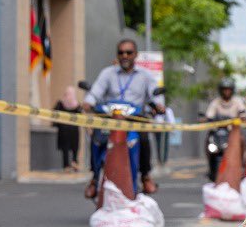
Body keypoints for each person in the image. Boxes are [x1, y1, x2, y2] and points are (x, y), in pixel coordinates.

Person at [85, 38, 161, 195]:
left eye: (129, 52)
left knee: (144, 139)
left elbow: (155, 95)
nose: (124, 56)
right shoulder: (107, 73)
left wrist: (158, 105)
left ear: (136, 55)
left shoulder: (145, 76)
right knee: (96, 139)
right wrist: (88, 102)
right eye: (121, 53)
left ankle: (145, 176)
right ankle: (94, 178)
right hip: (110, 119)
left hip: (134, 120)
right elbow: (96, 91)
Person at [203, 79, 246, 181]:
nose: (226, 92)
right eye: (224, 90)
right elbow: (209, 115)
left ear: (232, 91)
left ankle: (241, 163)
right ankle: (210, 166)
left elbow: (243, 113)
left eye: (228, 90)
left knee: (242, 140)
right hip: (217, 132)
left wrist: (242, 117)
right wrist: (206, 119)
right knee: (208, 141)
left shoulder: (237, 102)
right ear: (220, 91)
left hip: (232, 132)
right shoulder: (216, 102)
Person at [54, 87, 82, 171]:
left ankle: (66, 165)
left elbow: (54, 114)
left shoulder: (61, 103)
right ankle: (74, 161)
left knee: (65, 148)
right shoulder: (77, 105)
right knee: (74, 147)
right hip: (74, 129)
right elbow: (81, 117)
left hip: (63, 129)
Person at [152, 86, 173, 164]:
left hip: (165, 129)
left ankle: (163, 161)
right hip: (157, 129)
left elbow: (170, 120)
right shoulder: (153, 108)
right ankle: (160, 161)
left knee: (164, 146)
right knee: (159, 146)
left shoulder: (167, 110)